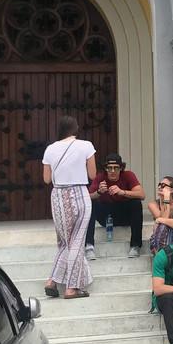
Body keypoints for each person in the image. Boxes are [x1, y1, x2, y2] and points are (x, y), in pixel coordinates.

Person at [41, 116, 97, 299]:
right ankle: (71, 288)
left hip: (57, 196)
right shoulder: (86, 145)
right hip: (79, 193)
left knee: (65, 242)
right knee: (76, 242)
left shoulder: (50, 149)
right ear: (75, 129)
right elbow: (93, 174)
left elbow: (46, 180)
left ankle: (52, 281)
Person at [86, 153, 145, 259]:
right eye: (109, 168)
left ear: (121, 168)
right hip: (106, 216)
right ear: (105, 168)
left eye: (116, 168)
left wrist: (122, 192)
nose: (112, 171)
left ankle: (135, 245)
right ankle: (89, 246)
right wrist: (98, 192)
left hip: (124, 214)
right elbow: (87, 197)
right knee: (91, 203)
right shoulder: (100, 177)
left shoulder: (128, 175)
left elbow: (142, 194)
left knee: (136, 203)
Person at [148, 176, 173, 256]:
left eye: (163, 185)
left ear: (172, 190)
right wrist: (166, 199)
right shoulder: (153, 204)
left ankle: (171, 254)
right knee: (162, 226)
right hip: (159, 241)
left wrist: (161, 220)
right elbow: (164, 220)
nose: (159, 187)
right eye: (159, 184)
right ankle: (163, 255)